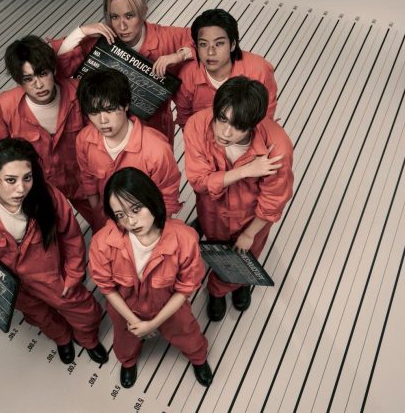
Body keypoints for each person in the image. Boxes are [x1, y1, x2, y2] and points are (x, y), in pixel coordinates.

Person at [0, 138, 108, 365]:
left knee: (81, 309)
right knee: (39, 315)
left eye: (27, 178)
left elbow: (71, 236)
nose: (21, 189)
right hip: (15, 285)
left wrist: (74, 274)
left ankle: (88, 340)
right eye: (10, 180)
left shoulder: (47, 196)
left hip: (51, 275)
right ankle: (62, 338)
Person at [89, 167, 213, 388]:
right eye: (120, 215)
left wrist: (154, 323)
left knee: (187, 333)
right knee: (124, 340)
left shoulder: (184, 239)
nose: (130, 221)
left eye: (136, 209)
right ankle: (128, 361)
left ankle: (198, 358)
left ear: (152, 199)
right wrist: (134, 321)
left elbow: (185, 288)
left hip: (169, 306)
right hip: (125, 309)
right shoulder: (102, 242)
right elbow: (107, 288)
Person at [183, 76, 293, 321]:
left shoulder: (278, 148)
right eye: (221, 118)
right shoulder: (197, 125)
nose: (225, 132)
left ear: (253, 124)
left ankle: (222, 287)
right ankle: (231, 282)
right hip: (212, 209)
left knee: (247, 254)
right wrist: (245, 171)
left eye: (237, 126)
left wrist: (250, 233)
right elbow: (199, 181)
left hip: (251, 218)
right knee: (216, 244)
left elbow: (273, 201)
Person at [51, 0, 195, 145]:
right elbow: (57, 66)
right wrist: (81, 32)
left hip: (152, 133)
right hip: (105, 135)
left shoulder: (165, 37)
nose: (122, 26)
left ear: (144, 12)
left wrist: (179, 55)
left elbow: (206, 39)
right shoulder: (97, 40)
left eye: (129, 16)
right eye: (114, 17)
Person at [0, 35, 93, 225]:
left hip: (84, 183)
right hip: (40, 190)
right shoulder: (6, 105)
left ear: (53, 69)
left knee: (108, 227)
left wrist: (81, 30)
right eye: (28, 79)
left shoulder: (79, 93)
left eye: (42, 73)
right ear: (19, 81)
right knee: (51, 237)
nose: (38, 85)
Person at [75, 68, 182, 232]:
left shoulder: (157, 149)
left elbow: (168, 196)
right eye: (94, 112)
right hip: (106, 223)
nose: (103, 120)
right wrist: (98, 215)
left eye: (110, 110)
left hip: (146, 226)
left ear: (126, 105)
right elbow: (88, 179)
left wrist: (152, 233)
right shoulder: (84, 140)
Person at [174, 8, 278, 129]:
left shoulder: (259, 70)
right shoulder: (187, 76)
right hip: (204, 137)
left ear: (233, 44)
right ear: (196, 47)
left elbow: (265, 117)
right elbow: (185, 120)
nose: (210, 52)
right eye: (203, 44)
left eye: (219, 44)